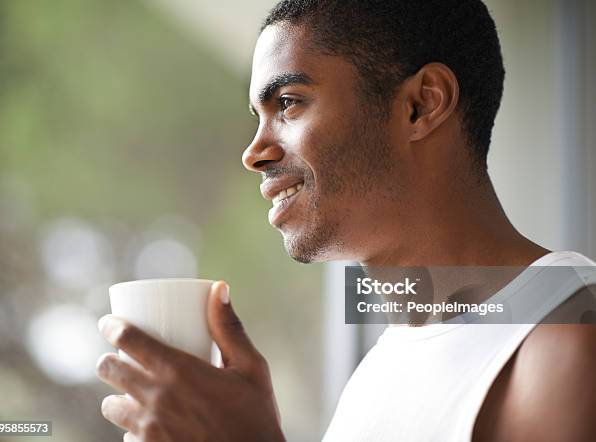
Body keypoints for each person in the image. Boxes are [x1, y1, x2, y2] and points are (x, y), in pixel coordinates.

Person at [96, 1, 596, 440]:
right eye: (257, 115)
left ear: (422, 104)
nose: (253, 153)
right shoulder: (379, 371)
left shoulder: (571, 341)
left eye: (287, 103)